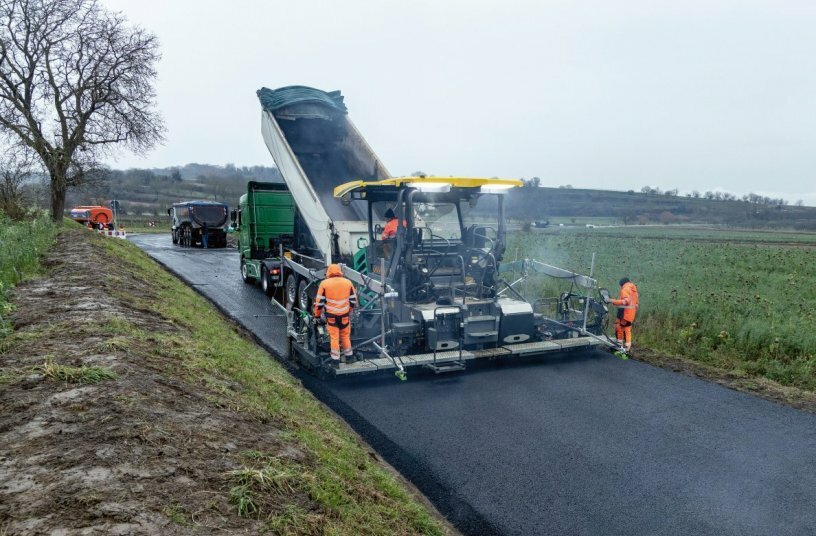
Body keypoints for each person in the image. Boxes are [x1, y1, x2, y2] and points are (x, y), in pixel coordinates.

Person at [314, 264, 358, 364]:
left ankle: (335, 361)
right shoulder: (348, 282)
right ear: (339, 271)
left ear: (328, 271)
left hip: (331, 317)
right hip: (344, 316)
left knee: (334, 337)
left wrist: (316, 315)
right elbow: (353, 300)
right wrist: (349, 311)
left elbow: (319, 303)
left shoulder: (324, 283)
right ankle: (349, 358)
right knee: (345, 336)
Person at [607, 277, 639, 352]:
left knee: (619, 327)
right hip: (630, 314)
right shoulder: (634, 290)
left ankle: (621, 346)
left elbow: (625, 301)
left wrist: (613, 301)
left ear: (622, 284)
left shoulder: (625, 289)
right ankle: (625, 347)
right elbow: (636, 305)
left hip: (625, 313)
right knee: (626, 329)